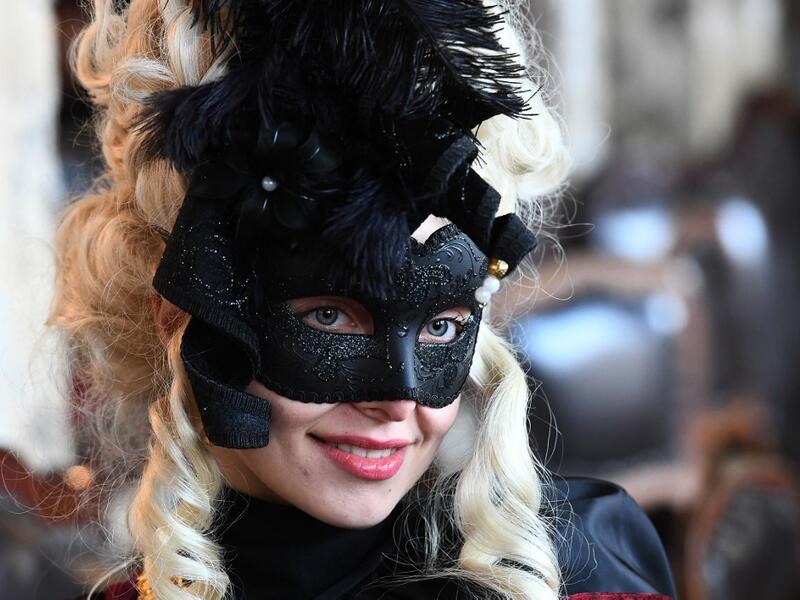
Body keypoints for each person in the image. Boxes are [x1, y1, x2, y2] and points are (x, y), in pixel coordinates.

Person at [51, 1, 677, 599]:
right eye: (330, 317)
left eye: (440, 325)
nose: (399, 401)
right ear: (180, 319)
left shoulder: (580, 575)